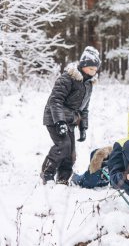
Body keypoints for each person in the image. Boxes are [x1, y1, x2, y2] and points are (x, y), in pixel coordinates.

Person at [41, 46, 101, 185]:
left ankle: (63, 179)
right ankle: (47, 174)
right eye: (91, 68)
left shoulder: (88, 84)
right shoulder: (68, 78)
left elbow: (84, 108)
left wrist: (83, 127)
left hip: (70, 120)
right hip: (54, 118)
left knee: (71, 153)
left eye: (95, 69)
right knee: (63, 146)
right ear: (83, 65)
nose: (93, 72)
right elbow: (55, 101)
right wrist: (59, 122)